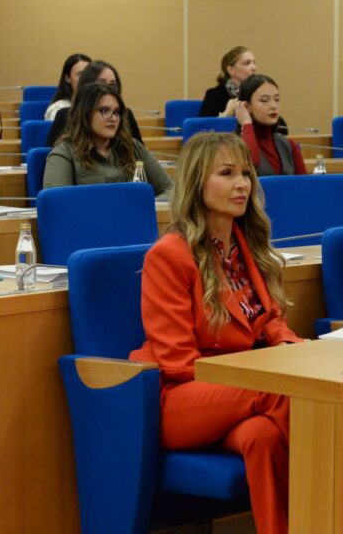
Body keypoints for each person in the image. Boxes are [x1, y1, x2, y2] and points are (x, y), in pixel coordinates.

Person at [129, 131, 302, 534]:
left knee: (263, 436)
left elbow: (267, 319)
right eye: (227, 174)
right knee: (286, 391)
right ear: (197, 182)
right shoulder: (167, 256)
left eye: (246, 173)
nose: (242, 184)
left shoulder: (246, 244)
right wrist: (257, 373)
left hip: (240, 393)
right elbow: (177, 362)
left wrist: (293, 348)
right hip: (181, 397)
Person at [43, 82, 172, 197]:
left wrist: (145, 206)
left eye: (117, 112)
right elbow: (56, 202)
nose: (113, 118)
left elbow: (171, 189)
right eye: (104, 111)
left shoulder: (132, 147)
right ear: (84, 114)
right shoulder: (64, 153)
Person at [46, 59, 142, 146]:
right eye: (101, 83)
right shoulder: (65, 116)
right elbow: (54, 153)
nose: (108, 89)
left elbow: (139, 156)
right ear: (86, 86)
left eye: (113, 85)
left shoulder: (126, 115)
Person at [235, 74, 306, 176]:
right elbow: (252, 164)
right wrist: (246, 123)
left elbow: (303, 182)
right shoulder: (232, 145)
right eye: (264, 100)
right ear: (246, 106)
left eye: (277, 99)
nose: (273, 106)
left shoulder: (288, 145)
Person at [199, 46, 257, 117]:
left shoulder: (257, 94)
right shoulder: (214, 95)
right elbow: (205, 123)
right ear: (231, 70)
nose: (254, 67)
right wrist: (227, 112)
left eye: (254, 63)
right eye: (247, 63)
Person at [44, 53, 91, 120]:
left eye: (89, 74)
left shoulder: (99, 106)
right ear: (67, 78)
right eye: (80, 74)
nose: (86, 78)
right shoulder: (58, 109)